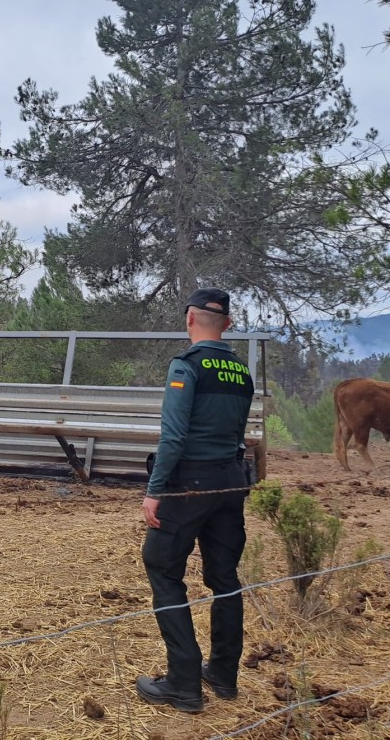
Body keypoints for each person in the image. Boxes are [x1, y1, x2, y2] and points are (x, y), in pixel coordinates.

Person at [136, 287, 255, 713]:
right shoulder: (241, 372)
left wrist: (154, 492)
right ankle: (223, 673)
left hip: (189, 484)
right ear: (225, 324)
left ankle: (183, 683)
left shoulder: (186, 366)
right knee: (224, 578)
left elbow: (173, 436)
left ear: (189, 319)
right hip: (230, 482)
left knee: (163, 569)